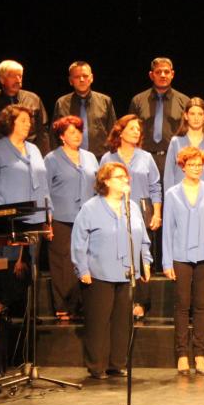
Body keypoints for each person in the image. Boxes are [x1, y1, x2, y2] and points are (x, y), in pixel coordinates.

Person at [71, 162, 152, 380]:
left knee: (122, 321)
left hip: (126, 272)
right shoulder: (91, 208)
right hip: (99, 272)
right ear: (106, 181)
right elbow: (79, 241)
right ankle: (97, 366)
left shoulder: (132, 207)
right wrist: (82, 268)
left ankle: (117, 363)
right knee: (99, 321)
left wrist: (146, 261)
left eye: (126, 177)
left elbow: (143, 239)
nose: (125, 180)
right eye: (119, 177)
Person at [162, 146, 204, 376]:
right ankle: (182, 354)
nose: (196, 168)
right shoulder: (172, 194)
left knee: (200, 305)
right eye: (192, 164)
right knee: (182, 305)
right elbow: (168, 229)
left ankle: (199, 353)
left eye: (199, 165)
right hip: (180, 256)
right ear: (183, 167)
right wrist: (167, 261)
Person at [100, 115, 163, 319]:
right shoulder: (108, 158)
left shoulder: (146, 157)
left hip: (141, 214)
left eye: (138, 129)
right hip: (114, 214)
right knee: (117, 255)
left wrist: (157, 213)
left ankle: (140, 302)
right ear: (120, 132)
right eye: (132, 128)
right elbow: (100, 188)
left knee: (142, 257)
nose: (137, 132)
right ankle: (119, 301)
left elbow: (155, 187)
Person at [44, 116, 98, 321]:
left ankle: (81, 304)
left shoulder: (90, 157)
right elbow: (44, 191)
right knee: (62, 263)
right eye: (72, 132)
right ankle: (63, 306)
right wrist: (47, 220)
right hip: (61, 217)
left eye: (79, 131)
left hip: (87, 218)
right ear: (62, 136)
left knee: (86, 260)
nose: (77, 135)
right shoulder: (51, 159)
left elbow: (98, 187)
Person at [0, 105, 51, 228]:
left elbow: (44, 184)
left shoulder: (34, 149)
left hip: (38, 219)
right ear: (10, 122)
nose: (28, 124)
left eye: (29, 121)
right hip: (10, 221)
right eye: (23, 121)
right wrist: (2, 216)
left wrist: (48, 210)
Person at [0, 60, 50, 165]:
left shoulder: (33, 99)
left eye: (20, 76)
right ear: (2, 79)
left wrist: (43, 161)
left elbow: (42, 133)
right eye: (13, 76)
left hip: (27, 157)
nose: (18, 80)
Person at [128, 57, 191, 178]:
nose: (163, 75)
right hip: (143, 158)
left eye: (166, 72)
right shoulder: (138, 101)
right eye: (158, 72)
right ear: (151, 75)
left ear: (172, 74)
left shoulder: (184, 101)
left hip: (174, 158)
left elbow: (189, 134)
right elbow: (129, 131)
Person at [52, 61, 117, 159]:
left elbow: (113, 132)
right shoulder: (62, 103)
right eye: (77, 77)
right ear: (70, 80)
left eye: (85, 76)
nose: (82, 79)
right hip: (70, 158)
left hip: (100, 158)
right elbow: (54, 136)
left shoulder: (105, 101)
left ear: (91, 78)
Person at [164, 97, 204, 192]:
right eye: (192, 114)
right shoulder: (176, 142)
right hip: (180, 197)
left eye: (200, 114)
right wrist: (169, 198)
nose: (196, 118)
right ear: (186, 116)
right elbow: (168, 176)